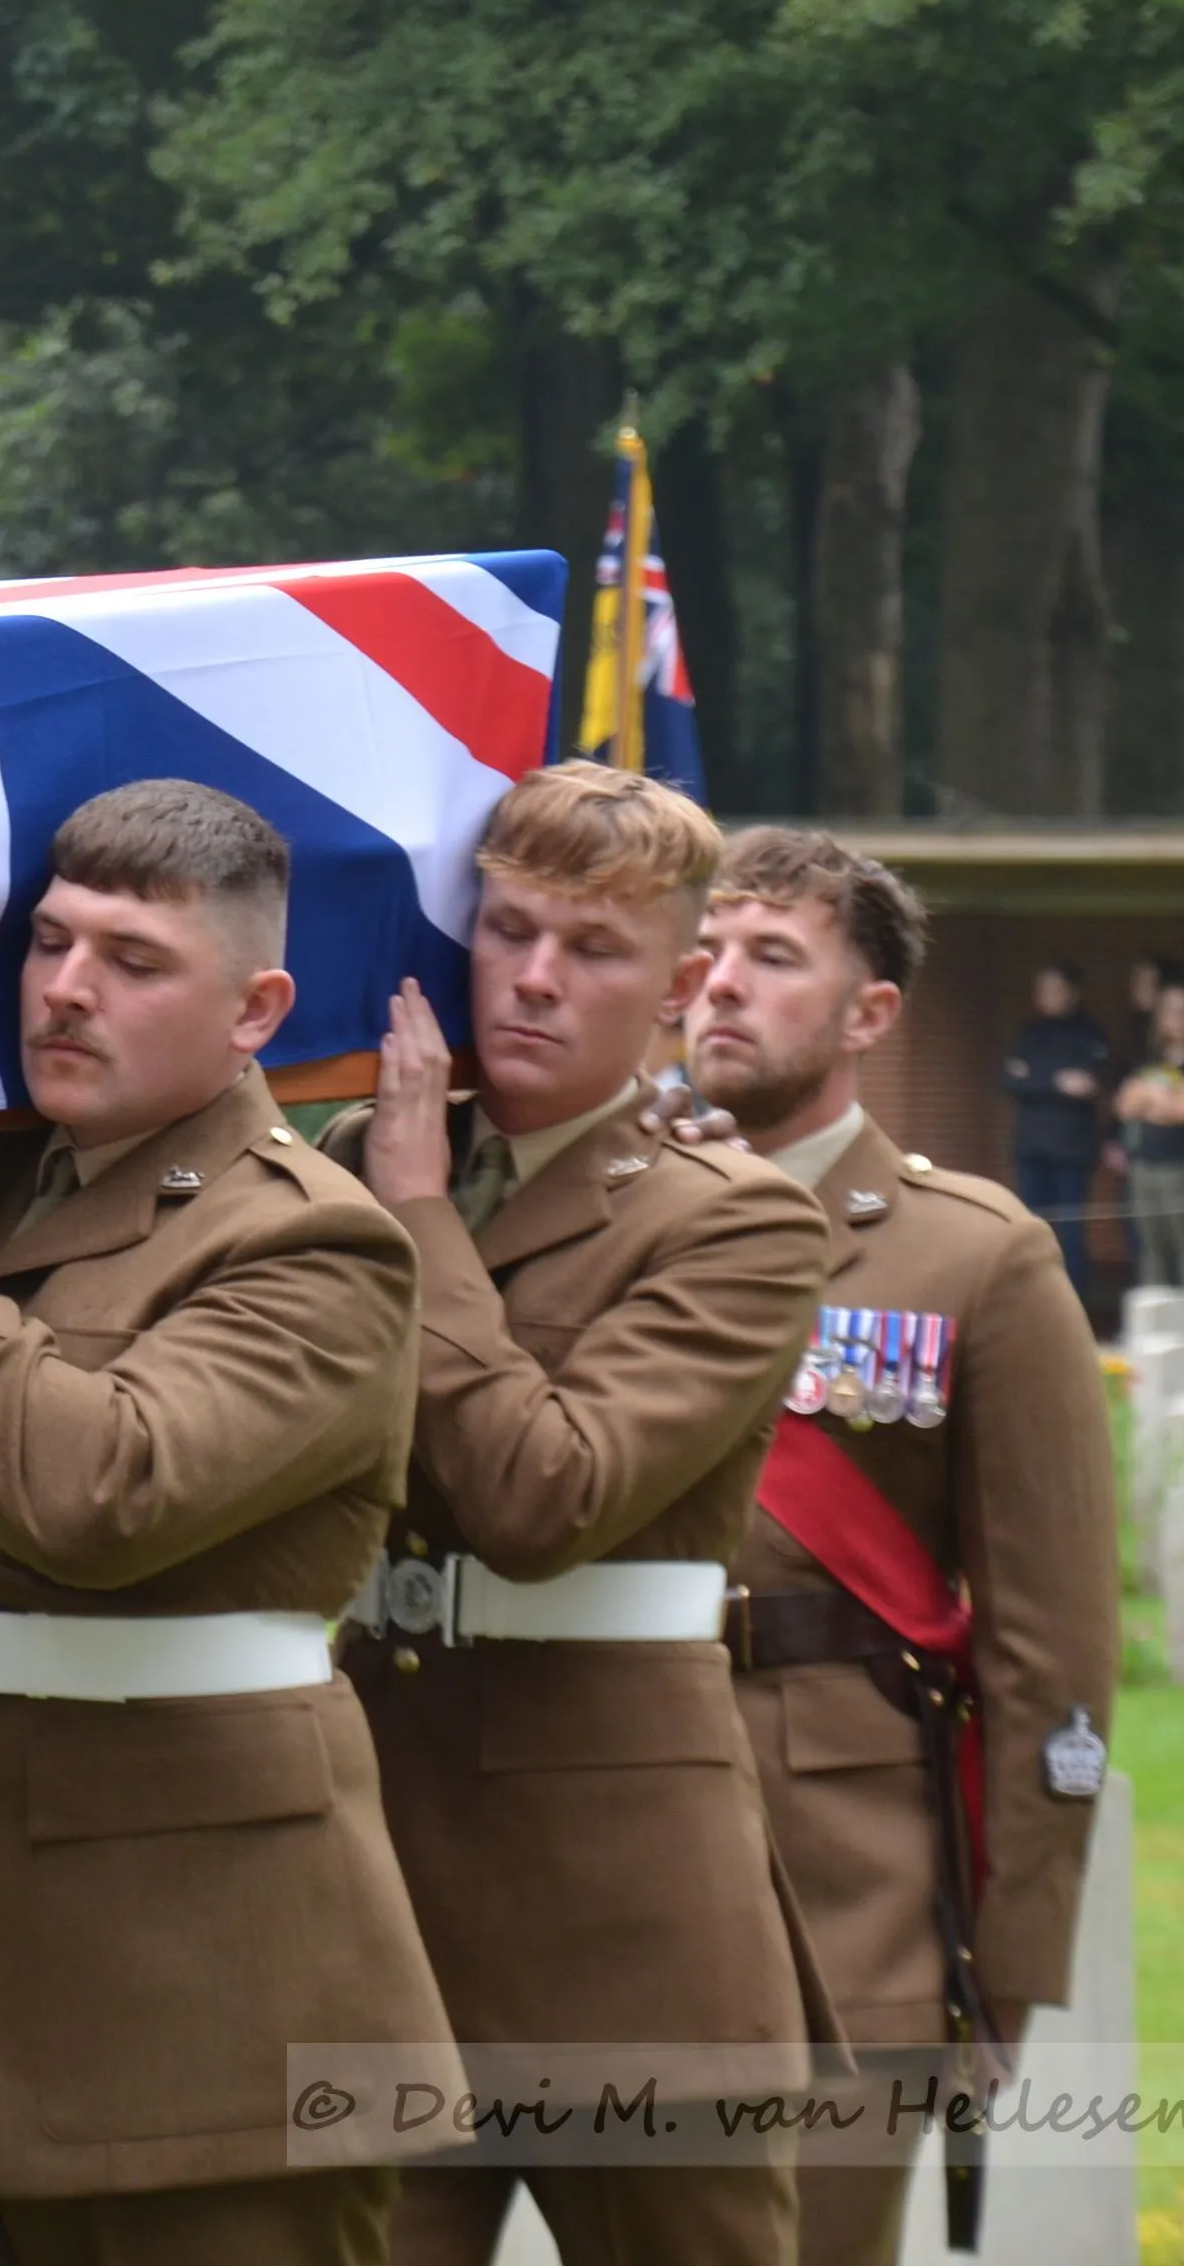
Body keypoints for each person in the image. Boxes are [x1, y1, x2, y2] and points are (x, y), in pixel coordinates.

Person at [0, 778, 464, 2264]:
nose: (69, 989)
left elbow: (95, 1494)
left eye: (135, 962)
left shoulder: (313, 1242)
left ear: (256, 1007)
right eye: (53, 944)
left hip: (189, 2007)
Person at [324, 759, 831, 2266]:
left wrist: (417, 1217)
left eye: (593, 950)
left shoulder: (734, 1218)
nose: (534, 980)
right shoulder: (345, 1172)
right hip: (373, 1877)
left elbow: (548, 1496)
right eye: (510, 931)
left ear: (678, 986)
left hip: (620, 1903)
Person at [690, 830, 1123, 2266]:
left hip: (847, 1884)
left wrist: (1009, 1964)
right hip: (585, 1844)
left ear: (870, 1013)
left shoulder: (972, 1257)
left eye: (772, 958)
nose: (719, 986)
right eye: (705, 951)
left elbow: (1050, 1643)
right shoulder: (594, 1219)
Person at [997, 964, 1112, 1306]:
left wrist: (1035, 1080)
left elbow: (1091, 1083)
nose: (1045, 996)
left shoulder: (1090, 1034)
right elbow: (1008, 1081)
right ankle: (1032, 1304)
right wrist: (1057, 1083)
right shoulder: (1028, 1033)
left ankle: (1073, 1307)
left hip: (1072, 1150)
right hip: (1031, 1148)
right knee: (1030, 1230)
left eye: (1054, 988)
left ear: (1072, 992)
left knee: (1071, 1232)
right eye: (1041, 988)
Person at [1115, 983, 1184, 1299]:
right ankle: (1156, 1325)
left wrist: (1149, 1100)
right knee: (1151, 1247)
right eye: (1171, 1011)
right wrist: (1159, 1099)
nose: (1178, 1018)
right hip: (1144, 1165)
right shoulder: (1148, 1059)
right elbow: (1124, 1106)